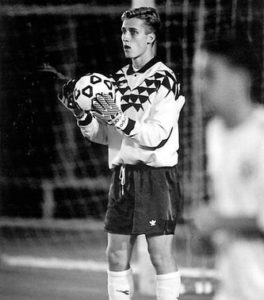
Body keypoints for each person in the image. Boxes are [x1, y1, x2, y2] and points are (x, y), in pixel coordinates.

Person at [58, 6, 185, 300]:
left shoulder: (165, 79)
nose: (125, 38)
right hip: (123, 177)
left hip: (156, 177)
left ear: (151, 38)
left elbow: (155, 136)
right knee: (115, 254)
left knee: (159, 255)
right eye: (123, 32)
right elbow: (105, 136)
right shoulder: (114, 81)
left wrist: (119, 119)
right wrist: (82, 114)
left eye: (133, 32)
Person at [192, 35, 264, 300]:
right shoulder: (215, 134)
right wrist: (207, 235)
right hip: (232, 288)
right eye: (199, 75)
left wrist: (219, 221)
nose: (200, 85)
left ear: (240, 77)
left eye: (209, 75)